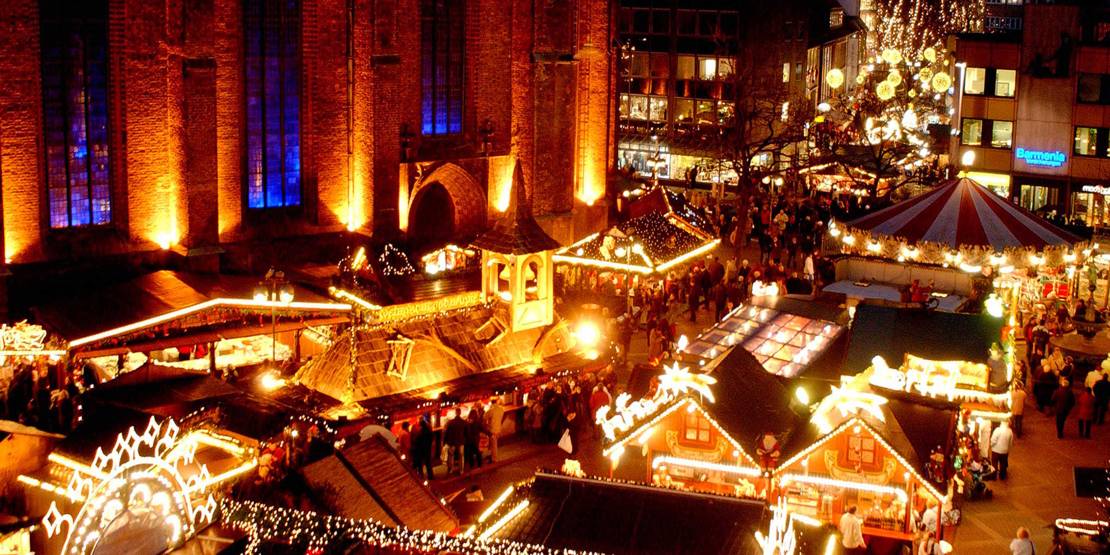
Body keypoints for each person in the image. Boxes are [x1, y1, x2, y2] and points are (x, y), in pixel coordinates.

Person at [444, 410, 467, 475]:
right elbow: (466, 433)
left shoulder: (451, 422)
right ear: (460, 413)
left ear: (455, 413)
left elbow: (447, 433)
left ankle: (451, 469)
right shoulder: (463, 422)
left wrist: (446, 441)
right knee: (461, 456)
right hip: (461, 442)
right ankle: (461, 470)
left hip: (452, 442)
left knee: (451, 456)